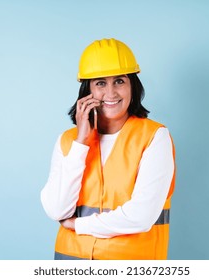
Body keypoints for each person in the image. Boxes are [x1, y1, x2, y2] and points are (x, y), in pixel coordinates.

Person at [41, 38, 176, 260]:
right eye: (101, 83)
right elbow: (57, 210)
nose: (111, 93)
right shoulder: (68, 141)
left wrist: (78, 224)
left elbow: (141, 216)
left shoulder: (154, 137)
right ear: (87, 90)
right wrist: (81, 143)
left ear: (133, 85)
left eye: (120, 81)